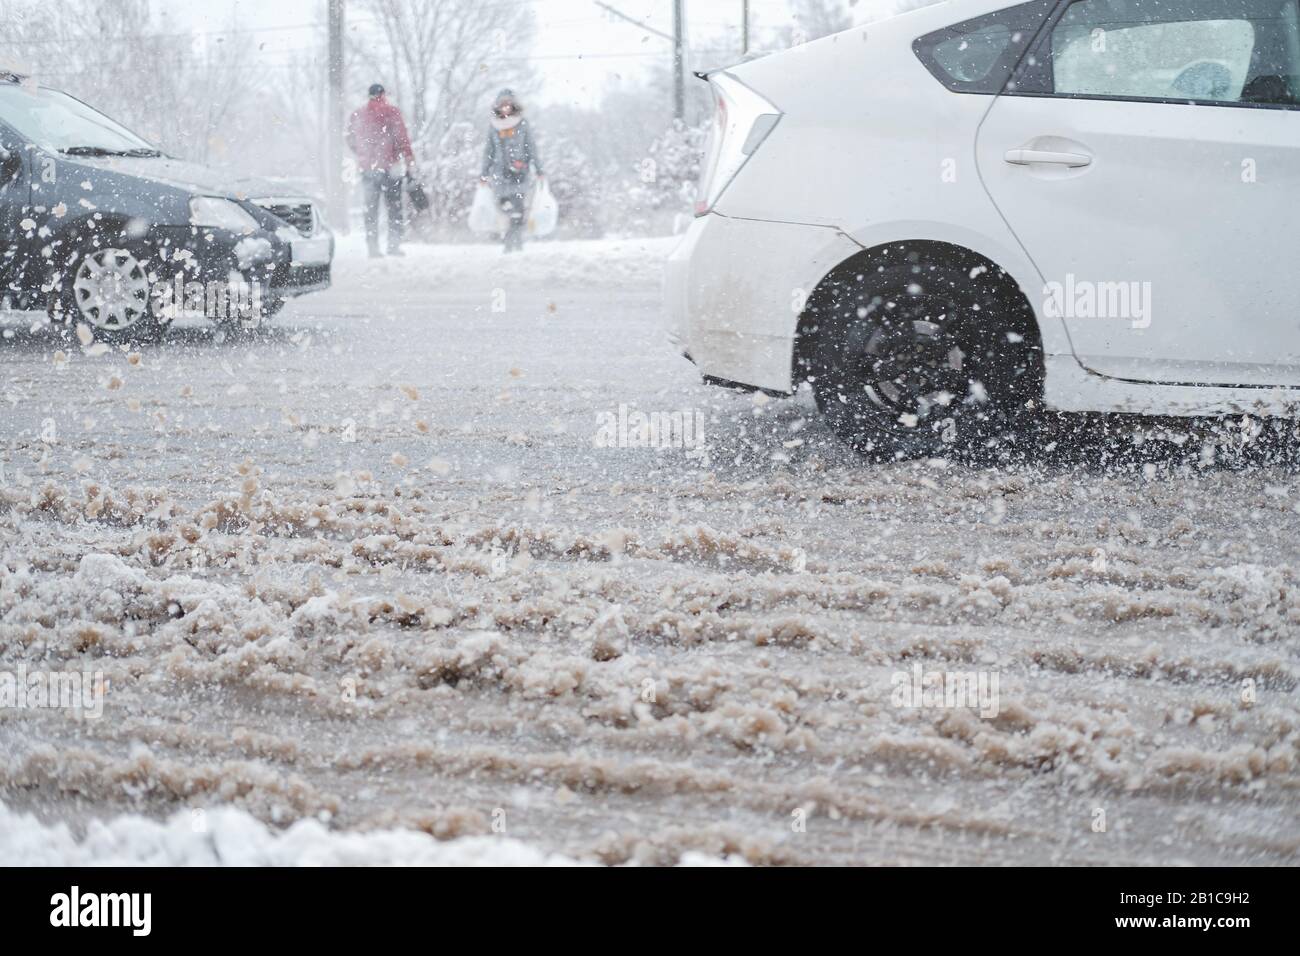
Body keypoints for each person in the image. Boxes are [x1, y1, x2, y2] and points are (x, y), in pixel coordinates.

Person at [346, 83, 416, 258]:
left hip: (368, 168)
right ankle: (393, 245)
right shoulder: (392, 112)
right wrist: (407, 159)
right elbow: (402, 139)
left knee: (370, 209)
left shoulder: (358, 114)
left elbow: (350, 138)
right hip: (390, 167)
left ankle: (372, 247)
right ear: (383, 94)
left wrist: (362, 153)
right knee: (394, 208)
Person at [480, 89, 543, 253]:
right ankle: (510, 240)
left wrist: (538, 168)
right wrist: (484, 173)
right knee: (504, 209)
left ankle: (514, 243)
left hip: (520, 174)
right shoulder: (494, 126)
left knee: (518, 210)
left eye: (508, 104)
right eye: (502, 104)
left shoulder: (522, 123)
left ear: (513, 105)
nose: (505, 107)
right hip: (500, 175)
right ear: (498, 106)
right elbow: (489, 151)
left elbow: (531, 146)